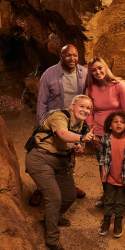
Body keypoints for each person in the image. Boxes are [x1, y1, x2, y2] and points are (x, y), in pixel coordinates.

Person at [25, 95, 95, 250]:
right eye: (82, 106)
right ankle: (52, 239)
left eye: (88, 108)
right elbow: (63, 134)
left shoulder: (80, 124)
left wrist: (77, 149)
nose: (85, 110)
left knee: (70, 197)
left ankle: (53, 217)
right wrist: (82, 138)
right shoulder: (59, 116)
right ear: (72, 106)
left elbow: (71, 144)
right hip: (40, 159)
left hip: (61, 161)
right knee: (54, 198)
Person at [32, 44, 88, 205]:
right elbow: (42, 102)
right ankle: (40, 188)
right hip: (54, 123)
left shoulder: (84, 74)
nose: (72, 59)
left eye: (75, 55)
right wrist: (43, 126)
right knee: (48, 154)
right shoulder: (49, 75)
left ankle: (69, 185)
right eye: (68, 55)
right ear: (61, 57)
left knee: (70, 156)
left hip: (74, 123)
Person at [84, 57, 125, 207]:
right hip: (99, 134)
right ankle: (107, 197)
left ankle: (120, 200)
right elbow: (89, 113)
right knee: (104, 166)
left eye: (99, 68)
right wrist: (93, 135)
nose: (97, 72)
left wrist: (121, 135)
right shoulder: (90, 89)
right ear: (90, 73)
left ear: (105, 68)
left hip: (117, 133)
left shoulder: (119, 85)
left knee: (119, 166)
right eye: (93, 70)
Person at [97, 111, 125, 238]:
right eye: (115, 121)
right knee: (108, 199)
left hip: (124, 178)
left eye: (122, 122)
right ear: (110, 125)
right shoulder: (105, 138)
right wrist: (103, 169)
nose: (119, 124)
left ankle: (118, 221)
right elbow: (103, 155)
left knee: (121, 201)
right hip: (110, 176)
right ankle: (106, 220)